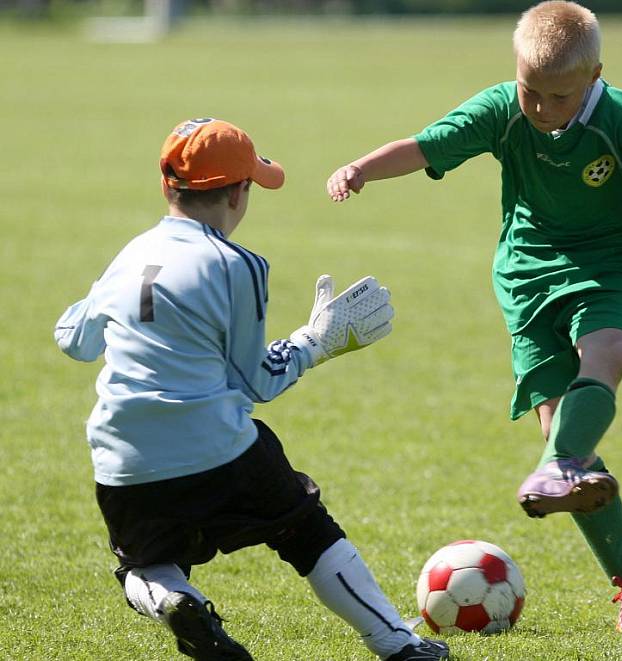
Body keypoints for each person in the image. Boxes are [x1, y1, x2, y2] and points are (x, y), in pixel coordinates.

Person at [326, 1, 622, 633]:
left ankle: (558, 471)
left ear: (593, 78)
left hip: (615, 265)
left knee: (606, 351)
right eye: (531, 91)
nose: (540, 108)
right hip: (528, 275)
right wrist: (361, 169)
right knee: (564, 437)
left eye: (558, 97)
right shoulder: (503, 110)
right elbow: (426, 146)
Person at [54, 117, 449, 661]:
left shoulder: (130, 255)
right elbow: (256, 381)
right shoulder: (236, 264)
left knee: (144, 565)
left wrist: (108, 289)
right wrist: (316, 341)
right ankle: (397, 644)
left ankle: (174, 597)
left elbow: (72, 340)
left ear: (168, 186)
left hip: (122, 459)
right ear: (240, 194)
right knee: (307, 530)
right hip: (213, 447)